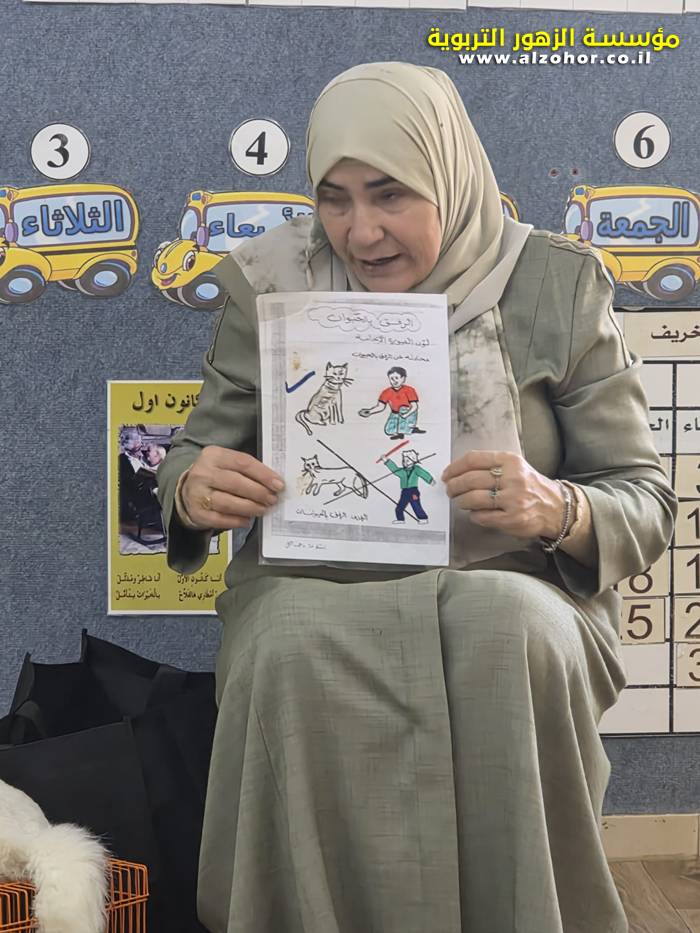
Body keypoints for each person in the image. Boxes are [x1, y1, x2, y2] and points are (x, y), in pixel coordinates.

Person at [157, 63, 676, 933]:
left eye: (391, 194)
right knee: (288, 638)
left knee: (507, 623)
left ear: (449, 175)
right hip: (308, 585)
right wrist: (192, 486)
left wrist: (559, 509)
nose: (361, 232)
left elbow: (646, 498)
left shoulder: (556, 283)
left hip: (517, 581)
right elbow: (189, 457)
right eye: (335, 199)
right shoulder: (274, 281)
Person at [359, 366, 426, 438]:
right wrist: (369, 411)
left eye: (397, 378)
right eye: (392, 379)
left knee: (402, 416)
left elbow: (415, 406)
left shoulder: (409, 390)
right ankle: (405, 429)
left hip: (408, 412)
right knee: (389, 431)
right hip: (395, 414)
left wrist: (405, 415)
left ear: (403, 378)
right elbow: (381, 406)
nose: (394, 381)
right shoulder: (386, 392)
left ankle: (408, 429)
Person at [380, 448, 436, 524]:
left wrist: (430, 480)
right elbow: (394, 469)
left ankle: (423, 518)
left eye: (407, 461)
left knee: (416, 505)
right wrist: (386, 460)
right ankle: (400, 519)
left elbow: (423, 474)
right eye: (404, 461)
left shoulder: (416, 469)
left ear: (413, 461)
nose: (405, 463)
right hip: (405, 491)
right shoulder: (402, 471)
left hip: (413, 491)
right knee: (400, 506)